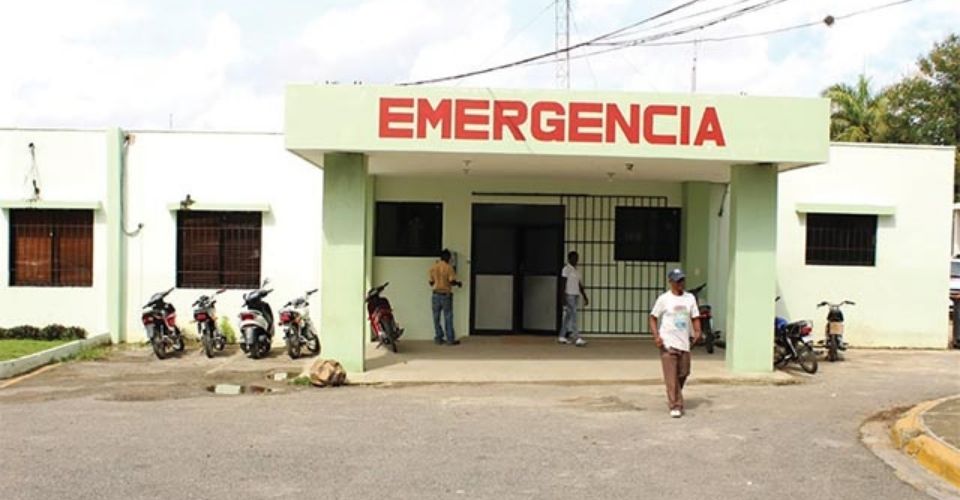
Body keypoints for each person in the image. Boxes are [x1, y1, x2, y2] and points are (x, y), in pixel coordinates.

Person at [649, 268, 702, 418]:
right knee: (671, 377)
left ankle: (675, 393)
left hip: (684, 342)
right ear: (670, 282)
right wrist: (656, 336)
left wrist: (697, 331)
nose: (681, 284)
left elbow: (695, 317)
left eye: (682, 280)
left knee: (684, 372)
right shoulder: (664, 299)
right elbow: (653, 317)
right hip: (667, 343)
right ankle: (675, 404)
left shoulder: (689, 298)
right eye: (678, 281)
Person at [428, 249, 462, 345]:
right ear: (447, 257)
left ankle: (439, 338)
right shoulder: (449, 268)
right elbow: (451, 281)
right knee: (448, 317)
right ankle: (450, 339)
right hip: (445, 295)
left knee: (436, 317)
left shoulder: (433, 267)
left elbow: (431, 282)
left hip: (435, 295)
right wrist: (458, 283)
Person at [558, 251, 589, 347]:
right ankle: (576, 337)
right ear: (569, 259)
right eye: (574, 258)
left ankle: (562, 336)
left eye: (577, 258)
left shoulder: (577, 271)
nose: (576, 260)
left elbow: (579, 285)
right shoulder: (566, 269)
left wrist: (584, 296)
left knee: (568, 316)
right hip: (569, 295)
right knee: (574, 315)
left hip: (576, 295)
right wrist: (562, 297)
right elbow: (563, 283)